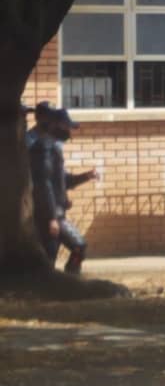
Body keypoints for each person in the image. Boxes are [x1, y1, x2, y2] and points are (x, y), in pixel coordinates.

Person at [27, 102, 96, 274]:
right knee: (76, 246)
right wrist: (51, 217)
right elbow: (44, 184)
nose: (68, 131)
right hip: (50, 214)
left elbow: (62, 180)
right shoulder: (43, 148)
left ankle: (63, 282)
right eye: (65, 127)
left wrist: (86, 176)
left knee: (52, 254)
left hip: (57, 212)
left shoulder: (53, 148)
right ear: (53, 126)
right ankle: (67, 282)